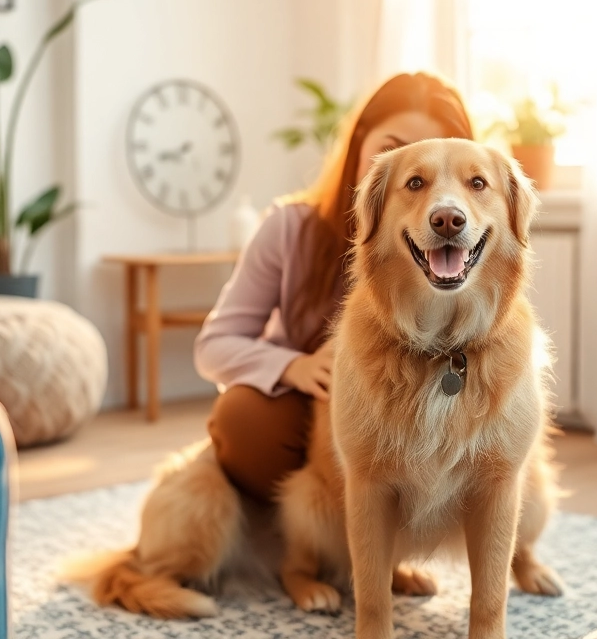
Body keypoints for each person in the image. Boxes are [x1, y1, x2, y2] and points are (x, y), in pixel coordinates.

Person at [195, 72, 475, 503]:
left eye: (435, 164)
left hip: (412, 417)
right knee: (242, 420)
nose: (404, 171)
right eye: (390, 150)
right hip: (308, 415)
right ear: (359, 144)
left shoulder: (462, 250)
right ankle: (308, 538)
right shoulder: (289, 228)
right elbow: (214, 346)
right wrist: (297, 366)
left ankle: (388, 544)